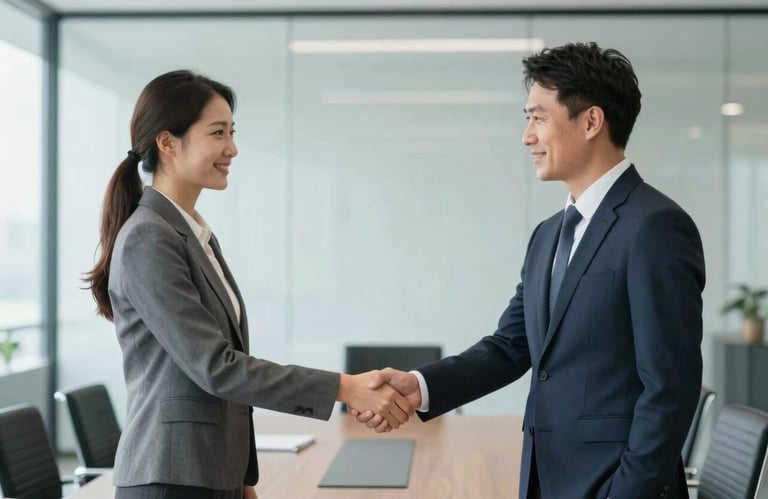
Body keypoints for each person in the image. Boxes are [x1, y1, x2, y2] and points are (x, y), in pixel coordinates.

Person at [352, 42, 705, 499]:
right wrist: (419, 386)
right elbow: (510, 347)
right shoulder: (548, 234)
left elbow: (670, 388)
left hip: (612, 485)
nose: (527, 136)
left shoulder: (655, 226)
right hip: (545, 477)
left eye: (538, 117)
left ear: (591, 121)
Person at [84, 69, 412, 499]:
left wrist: (239, 477)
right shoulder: (150, 237)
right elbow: (216, 366)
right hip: (170, 479)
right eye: (217, 133)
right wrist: (346, 388)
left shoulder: (192, 234)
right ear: (167, 142)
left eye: (232, 132)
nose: (232, 148)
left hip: (206, 474)